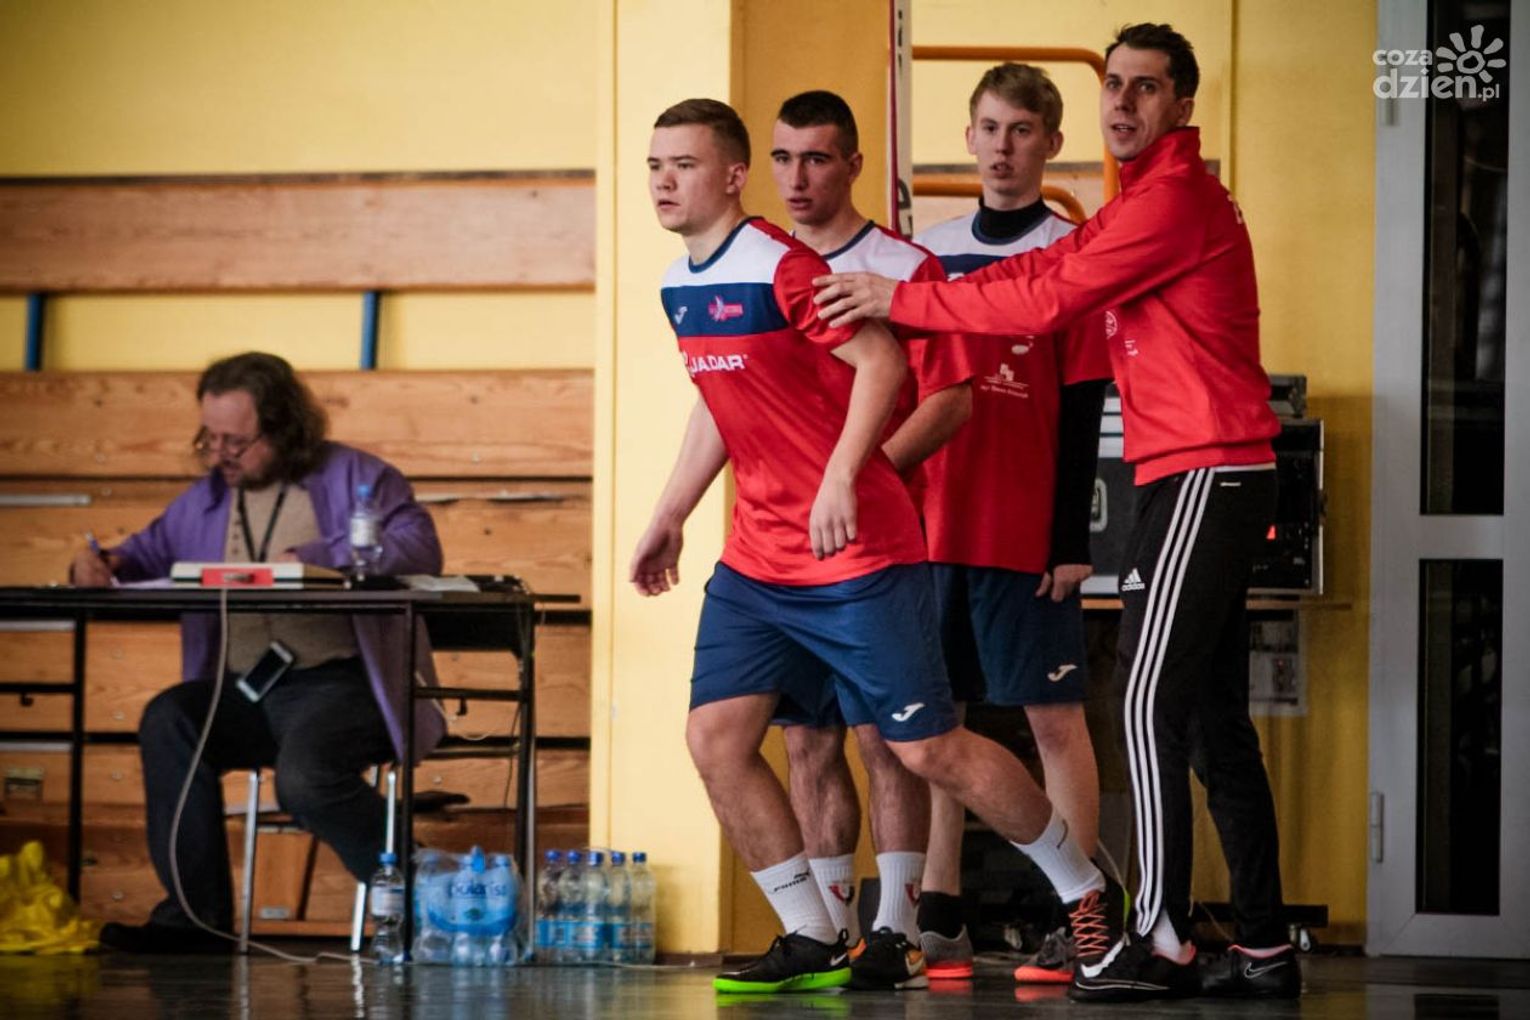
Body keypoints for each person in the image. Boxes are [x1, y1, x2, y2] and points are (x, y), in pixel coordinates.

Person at [814, 22, 1300, 1003]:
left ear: (1182, 106)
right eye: (1114, 83)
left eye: (1145, 88)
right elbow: (1034, 277)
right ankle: (1262, 943)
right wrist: (916, 290)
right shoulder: (1136, 205)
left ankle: (1157, 939)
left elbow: (1044, 302)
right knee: (1213, 721)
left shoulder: (1173, 200)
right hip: (1190, 474)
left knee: (1145, 703)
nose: (1123, 101)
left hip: (1209, 469)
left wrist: (903, 299)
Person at [633, 97, 1123, 997]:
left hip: (860, 557)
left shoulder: (783, 269)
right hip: (758, 563)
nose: (665, 182)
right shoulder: (679, 285)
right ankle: (813, 933)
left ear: (732, 177)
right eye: (655, 166)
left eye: (684, 165)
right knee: (716, 738)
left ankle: (1084, 894)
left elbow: (886, 364)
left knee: (928, 749)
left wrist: (842, 478)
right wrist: (672, 513)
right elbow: (721, 401)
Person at [71, 351, 445, 954]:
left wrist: (323, 556)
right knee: (171, 719)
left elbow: (419, 546)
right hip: (248, 690)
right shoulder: (204, 500)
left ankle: (428, 896)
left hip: (342, 685)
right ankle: (194, 922)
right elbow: (140, 554)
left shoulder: (356, 476)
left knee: (304, 780)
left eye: (236, 442)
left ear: (283, 428)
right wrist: (99, 562)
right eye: (209, 438)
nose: (220, 454)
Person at [767, 89, 976, 990]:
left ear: (853, 164)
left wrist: (856, 477)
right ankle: (830, 933)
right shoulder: (757, 264)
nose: (798, 177)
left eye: (817, 158)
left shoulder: (904, 267)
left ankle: (898, 928)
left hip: (879, 548)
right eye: (783, 158)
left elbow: (952, 398)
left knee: (882, 739)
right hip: (778, 552)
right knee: (804, 742)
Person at [908, 63, 1109, 985]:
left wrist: (1071, 540)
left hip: (1024, 533)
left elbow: (1085, 404)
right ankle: (939, 912)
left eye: (1021, 130)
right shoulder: (929, 256)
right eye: (989, 128)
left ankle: (1080, 919)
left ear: (1051, 144)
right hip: (929, 529)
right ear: (969, 136)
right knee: (935, 722)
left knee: (1053, 720)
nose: (1002, 147)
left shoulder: (1073, 253)